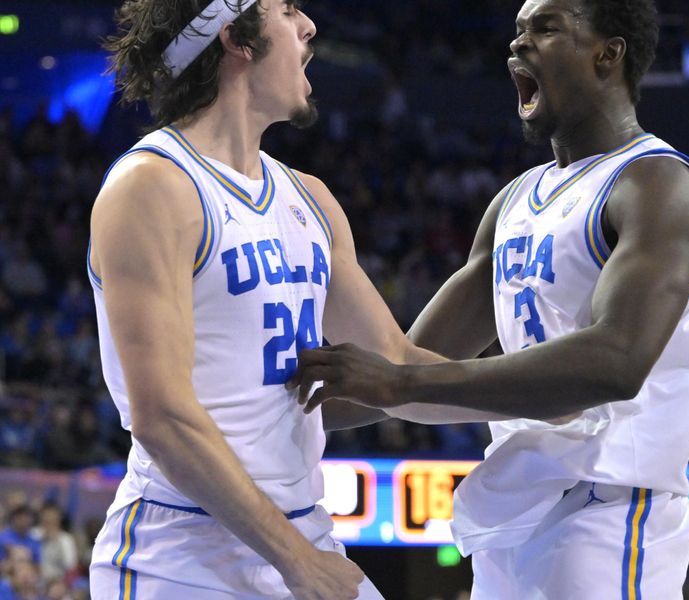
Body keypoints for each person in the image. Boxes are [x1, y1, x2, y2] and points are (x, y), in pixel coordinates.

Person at [291, 0, 689, 597]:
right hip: (514, 513)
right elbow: (405, 362)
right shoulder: (515, 200)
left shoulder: (657, 184)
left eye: (544, 28)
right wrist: (261, 417)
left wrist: (400, 384)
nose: (517, 45)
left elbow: (616, 361)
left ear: (609, 52)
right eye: (517, 31)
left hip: (613, 506)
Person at [88, 1, 440, 598]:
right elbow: (160, 415)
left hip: (305, 529)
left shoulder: (311, 196)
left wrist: (543, 395)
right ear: (236, 40)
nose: (309, 26)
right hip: (184, 556)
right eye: (287, 9)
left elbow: (396, 364)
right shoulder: (153, 186)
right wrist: (297, 561)